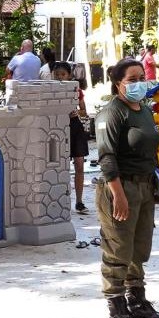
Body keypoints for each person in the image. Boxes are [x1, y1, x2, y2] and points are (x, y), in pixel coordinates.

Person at [94, 58, 159, 318]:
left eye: (142, 77)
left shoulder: (144, 110)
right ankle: (116, 310)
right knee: (118, 248)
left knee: (138, 246)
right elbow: (106, 158)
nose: (140, 83)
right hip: (119, 187)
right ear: (118, 83)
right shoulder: (111, 114)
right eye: (132, 79)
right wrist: (119, 196)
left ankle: (137, 300)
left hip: (144, 186)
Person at [52, 61, 91, 214]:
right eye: (57, 75)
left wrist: (77, 112)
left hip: (75, 128)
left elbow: (84, 111)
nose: (60, 78)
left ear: (69, 76)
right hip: (58, 128)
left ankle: (79, 201)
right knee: (60, 167)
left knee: (79, 164)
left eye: (63, 75)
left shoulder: (76, 90)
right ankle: (60, 201)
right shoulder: (51, 91)